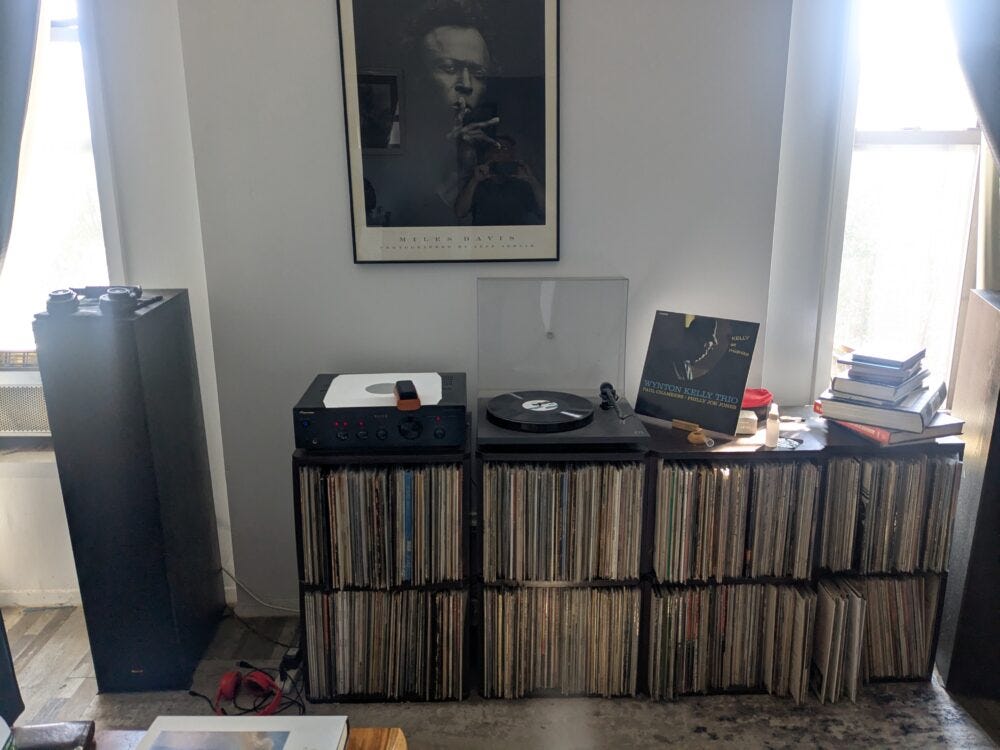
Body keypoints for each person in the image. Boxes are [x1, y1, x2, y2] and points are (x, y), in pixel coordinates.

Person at [453, 135, 544, 225]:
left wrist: (532, 180)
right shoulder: (477, 182)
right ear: (488, 155)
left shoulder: (523, 183)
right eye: (495, 149)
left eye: (505, 149)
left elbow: (546, 211)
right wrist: (474, 180)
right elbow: (460, 212)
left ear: (512, 155)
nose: (500, 153)